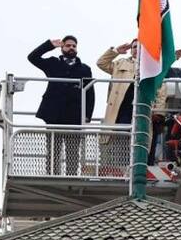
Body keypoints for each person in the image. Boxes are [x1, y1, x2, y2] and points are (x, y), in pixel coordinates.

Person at [27, 35, 95, 176]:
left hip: (74, 116)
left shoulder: (84, 69)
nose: (71, 48)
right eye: (68, 45)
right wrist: (49, 45)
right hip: (54, 114)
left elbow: (90, 93)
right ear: (62, 47)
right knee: (53, 149)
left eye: (74, 46)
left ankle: (71, 177)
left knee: (73, 152)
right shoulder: (53, 63)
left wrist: (88, 115)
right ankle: (51, 174)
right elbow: (32, 57)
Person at [97, 39, 166, 171]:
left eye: (139, 47)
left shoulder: (151, 66)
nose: (136, 49)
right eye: (134, 47)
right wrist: (116, 52)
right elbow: (101, 63)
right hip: (120, 110)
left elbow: (161, 90)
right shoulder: (121, 63)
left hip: (142, 110)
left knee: (140, 141)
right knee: (119, 140)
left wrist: (159, 111)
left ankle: (137, 168)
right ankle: (119, 167)